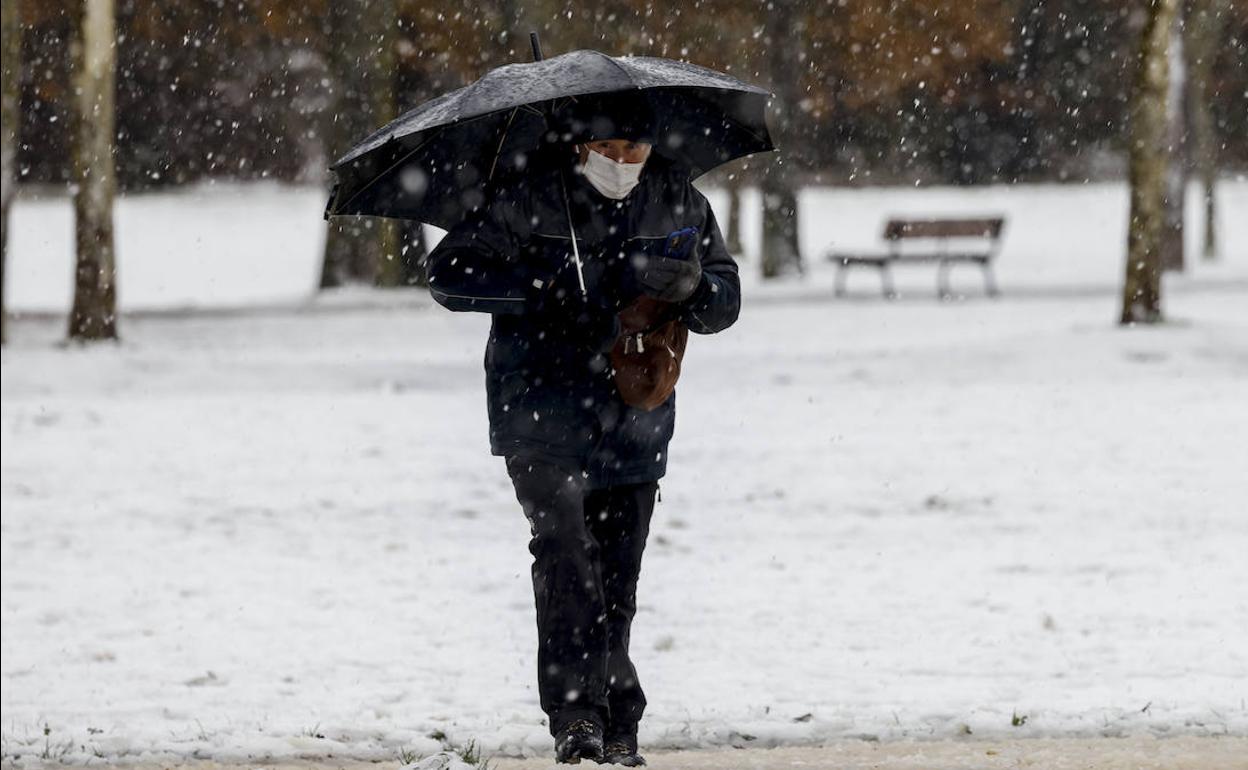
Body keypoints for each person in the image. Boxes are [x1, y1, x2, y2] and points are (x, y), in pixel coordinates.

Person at [425, 93, 740, 765]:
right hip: (536, 405)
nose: (622, 164)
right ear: (579, 146)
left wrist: (688, 288)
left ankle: (616, 722)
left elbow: (725, 299)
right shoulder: (526, 197)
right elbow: (450, 275)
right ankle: (578, 716)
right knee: (565, 547)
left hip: (636, 413)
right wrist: (548, 292)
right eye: (609, 151)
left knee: (617, 571)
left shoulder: (679, 200)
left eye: (635, 152)